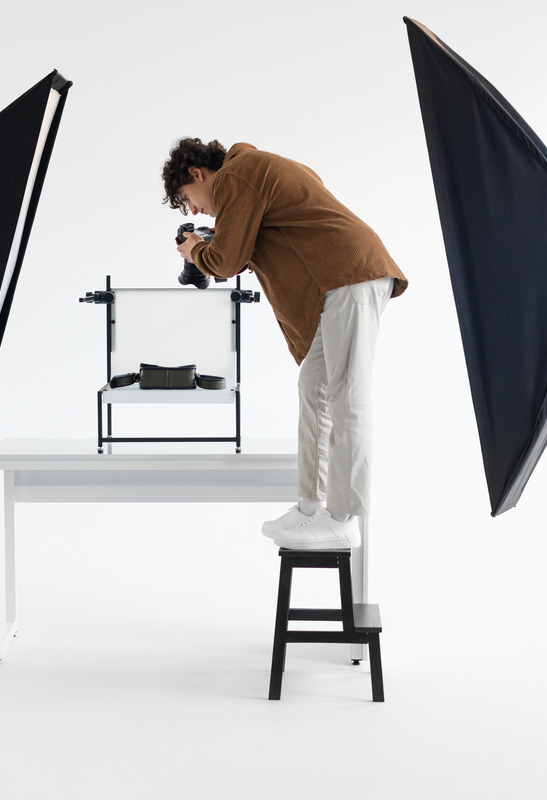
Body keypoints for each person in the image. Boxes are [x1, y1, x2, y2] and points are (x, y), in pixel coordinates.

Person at [162, 138, 407, 550]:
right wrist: (208, 246)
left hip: (349, 273)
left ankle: (344, 518)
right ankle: (311, 508)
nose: (195, 210)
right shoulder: (251, 172)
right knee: (314, 389)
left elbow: (225, 261)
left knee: (346, 395)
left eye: (188, 199)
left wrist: (196, 249)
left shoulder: (239, 174)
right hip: (339, 280)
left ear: (196, 174)